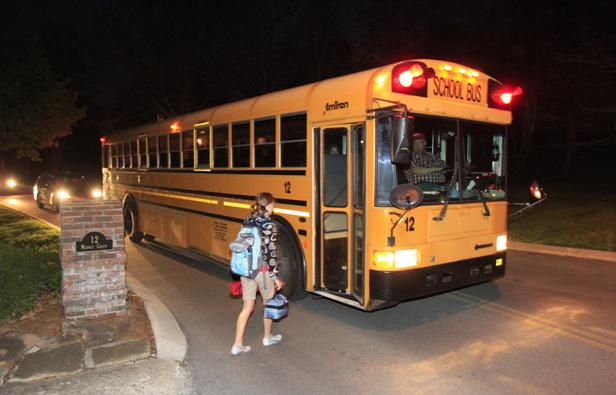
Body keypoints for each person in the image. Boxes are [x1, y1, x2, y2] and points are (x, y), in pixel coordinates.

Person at [231, 192, 285, 356]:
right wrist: (276, 277)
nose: (273, 207)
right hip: (262, 272)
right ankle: (267, 337)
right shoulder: (268, 225)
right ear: (268, 205)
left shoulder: (247, 222)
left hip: (246, 272)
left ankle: (237, 344)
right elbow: (270, 254)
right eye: (273, 204)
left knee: (247, 308)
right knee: (268, 304)